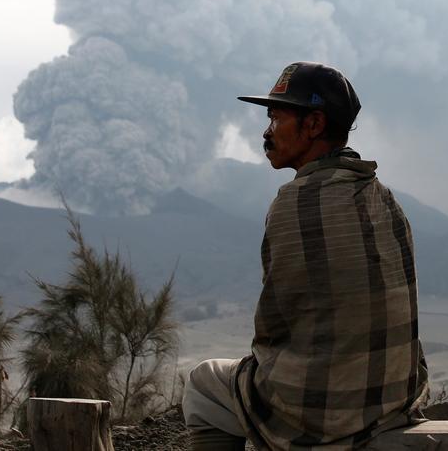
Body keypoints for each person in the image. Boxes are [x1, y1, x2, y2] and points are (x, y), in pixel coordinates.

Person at [183, 62, 429, 451]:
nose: (267, 132)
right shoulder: (385, 198)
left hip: (323, 414)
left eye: (276, 117)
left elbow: (274, 328)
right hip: (393, 400)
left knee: (203, 382)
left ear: (313, 124)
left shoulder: (294, 203)